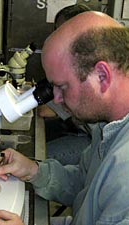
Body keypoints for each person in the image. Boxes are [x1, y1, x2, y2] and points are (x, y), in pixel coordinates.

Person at [0, 11, 129, 225]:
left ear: (102, 76)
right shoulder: (118, 121)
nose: (57, 99)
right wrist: (34, 171)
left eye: (61, 86)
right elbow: (86, 184)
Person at [38, 2, 93, 165]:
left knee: (38, 159)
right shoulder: (73, 60)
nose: (55, 36)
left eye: (59, 30)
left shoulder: (83, 66)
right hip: (76, 128)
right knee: (33, 141)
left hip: (92, 141)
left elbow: (45, 110)